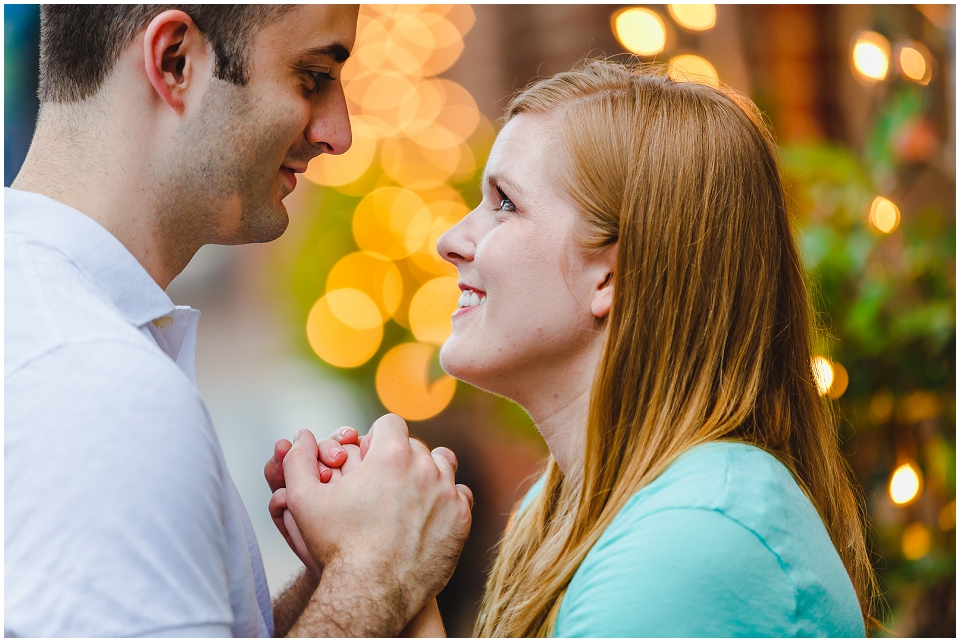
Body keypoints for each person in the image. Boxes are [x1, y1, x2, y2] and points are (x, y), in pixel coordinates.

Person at [277, 59, 880, 636]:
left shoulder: (687, 541)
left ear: (612, 278)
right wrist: (380, 560)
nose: (451, 239)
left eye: (505, 204)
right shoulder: (567, 505)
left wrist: (378, 567)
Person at [5, 5, 471, 637]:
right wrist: (377, 571)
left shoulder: (60, 331)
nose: (339, 133)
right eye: (311, 76)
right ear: (177, 61)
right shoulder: (99, 389)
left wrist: (335, 573)